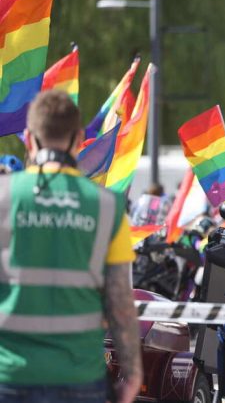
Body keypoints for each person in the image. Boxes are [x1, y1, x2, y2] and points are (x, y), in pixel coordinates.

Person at [0, 90, 142, 403]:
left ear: (28, 138)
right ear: (80, 138)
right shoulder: (107, 207)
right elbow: (120, 301)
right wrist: (132, 374)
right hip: (80, 379)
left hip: (11, 376)